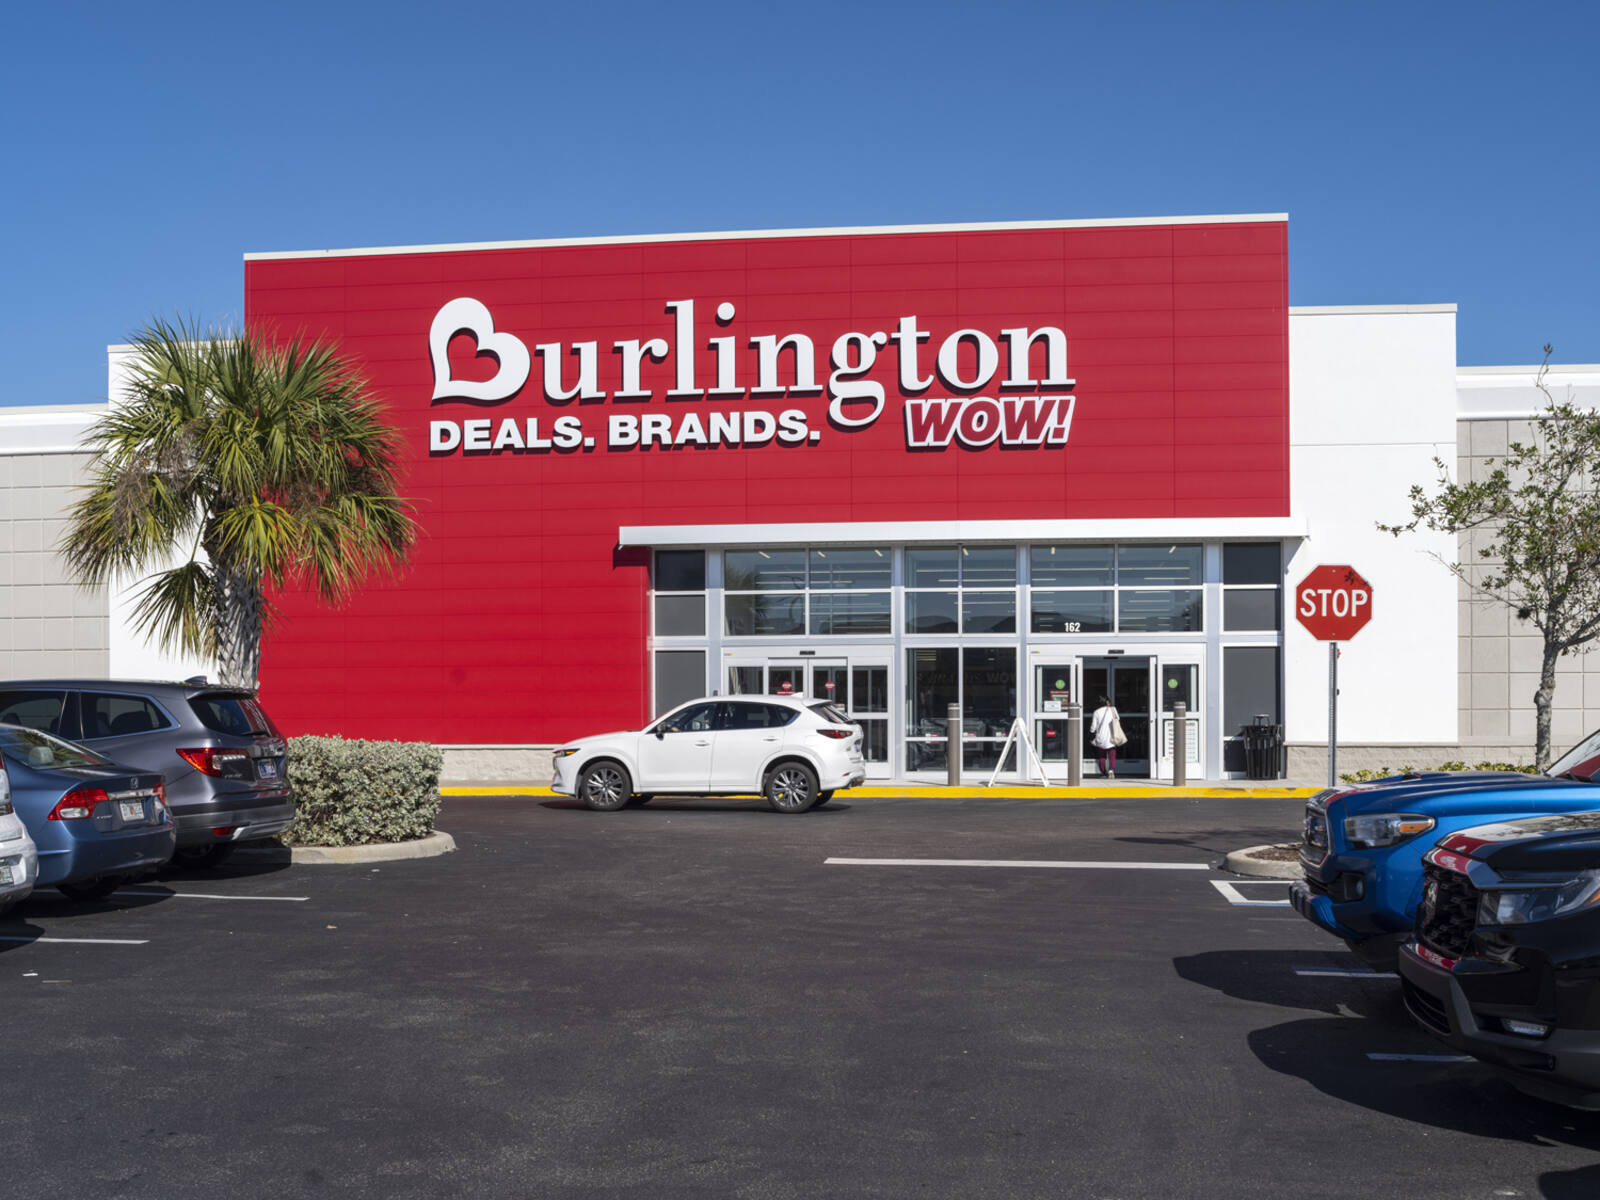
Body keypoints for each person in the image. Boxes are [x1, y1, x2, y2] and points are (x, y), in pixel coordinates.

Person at [1090, 694, 1119, 779]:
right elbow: (1117, 720)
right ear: (1107, 702)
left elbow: (1093, 727)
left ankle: (1103, 772)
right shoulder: (1113, 710)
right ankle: (1111, 770)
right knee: (1112, 754)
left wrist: (1091, 733)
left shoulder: (1096, 712)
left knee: (1102, 756)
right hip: (1112, 735)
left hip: (1101, 736)